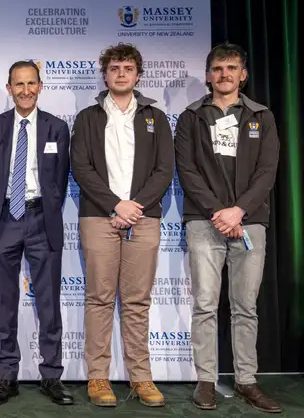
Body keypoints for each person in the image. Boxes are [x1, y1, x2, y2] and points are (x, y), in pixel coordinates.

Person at [175, 43, 281, 414]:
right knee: (205, 304)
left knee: (245, 307)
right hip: (204, 222)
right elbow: (186, 170)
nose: (224, 74)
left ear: (243, 75)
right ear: (208, 75)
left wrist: (238, 211)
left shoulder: (261, 117)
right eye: (218, 69)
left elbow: (267, 171)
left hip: (250, 222)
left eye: (231, 68)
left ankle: (246, 380)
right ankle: (206, 381)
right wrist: (219, 211)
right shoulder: (191, 117)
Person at [71, 43, 173, 407]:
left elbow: (165, 169)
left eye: (128, 68)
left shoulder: (155, 117)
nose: (121, 73)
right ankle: (98, 378)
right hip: (99, 215)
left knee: (136, 301)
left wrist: (134, 207)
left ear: (138, 75)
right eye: (114, 68)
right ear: (105, 73)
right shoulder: (87, 117)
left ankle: (141, 378)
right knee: (99, 298)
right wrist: (116, 204)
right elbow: (81, 168)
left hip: (143, 217)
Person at [0, 60, 72, 406]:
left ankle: (51, 376)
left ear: (40, 86)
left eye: (31, 83)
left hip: (41, 220)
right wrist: (10, 204)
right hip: (4, 220)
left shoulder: (57, 128)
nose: (25, 90)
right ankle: (7, 377)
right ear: (9, 88)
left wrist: (41, 209)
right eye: (18, 84)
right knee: (5, 305)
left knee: (49, 304)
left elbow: (60, 181)